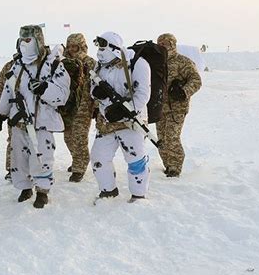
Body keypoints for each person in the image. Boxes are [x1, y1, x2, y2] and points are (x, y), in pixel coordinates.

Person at [0, 25, 70, 208]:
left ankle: (42, 191)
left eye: (28, 40)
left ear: (38, 41)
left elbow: (62, 96)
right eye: (22, 40)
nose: (25, 44)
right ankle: (25, 187)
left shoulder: (54, 65)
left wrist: (44, 89)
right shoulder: (17, 66)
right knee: (19, 158)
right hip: (19, 122)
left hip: (42, 123)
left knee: (41, 158)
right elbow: (9, 90)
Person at [90, 31, 151, 203]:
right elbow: (92, 88)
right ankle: (108, 191)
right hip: (106, 121)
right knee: (98, 157)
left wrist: (125, 111)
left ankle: (139, 195)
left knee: (135, 158)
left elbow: (143, 94)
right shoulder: (99, 66)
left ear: (114, 48)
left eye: (103, 47)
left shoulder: (137, 63)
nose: (100, 52)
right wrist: (97, 93)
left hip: (131, 121)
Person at [156, 33, 202, 177]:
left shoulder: (183, 62)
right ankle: (168, 165)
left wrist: (183, 91)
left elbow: (196, 80)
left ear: (172, 44)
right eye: (160, 44)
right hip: (160, 109)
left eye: (165, 43)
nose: (162, 46)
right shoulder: (156, 63)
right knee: (161, 139)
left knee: (172, 137)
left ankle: (175, 168)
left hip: (177, 108)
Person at [62, 33, 97, 182]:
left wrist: (95, 105)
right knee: (68, 136)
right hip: (67, 105)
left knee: (79, 136)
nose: (71, 49)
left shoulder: (90, 63)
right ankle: (77, 158)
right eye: (69, 46)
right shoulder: (62, 62)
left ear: (81, 46)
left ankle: (79, 166)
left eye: (74, 46)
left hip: (84, 105)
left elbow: (97, 85)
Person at [0, 58, 16, 181]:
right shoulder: (10, 66)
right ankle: (12, 169)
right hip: (14, 112)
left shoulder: (40, 63)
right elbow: (0, 89)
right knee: (14, 140)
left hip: (36, 113)